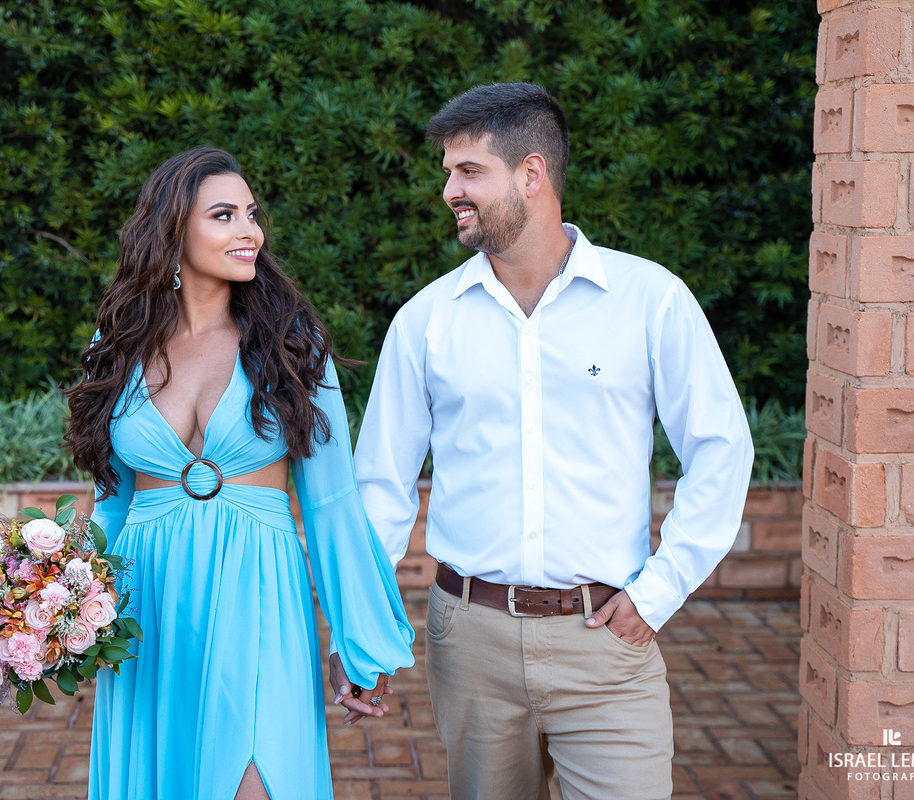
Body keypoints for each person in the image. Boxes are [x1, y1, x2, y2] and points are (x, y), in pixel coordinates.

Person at [354, 83, 754, 800]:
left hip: (605, 641)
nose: (449, 191)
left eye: (468, 171)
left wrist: (658, 592)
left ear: (531, 174)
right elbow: (381, 484)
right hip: (468, 641)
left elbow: (722, 447)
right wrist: (364, 631)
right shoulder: (426, 321)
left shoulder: (650, 299)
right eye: (448, 172)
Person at [66, 147, 414, 800]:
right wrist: (62, 609)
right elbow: (111, 502)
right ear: (172, 230)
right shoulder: (116, 346)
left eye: (251, 214)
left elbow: (332, 504)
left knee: (257, 780)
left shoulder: (292, 343)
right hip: (147, 604)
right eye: (224, 215)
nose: (249, 230)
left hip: (258, 592)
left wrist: (356, 638)